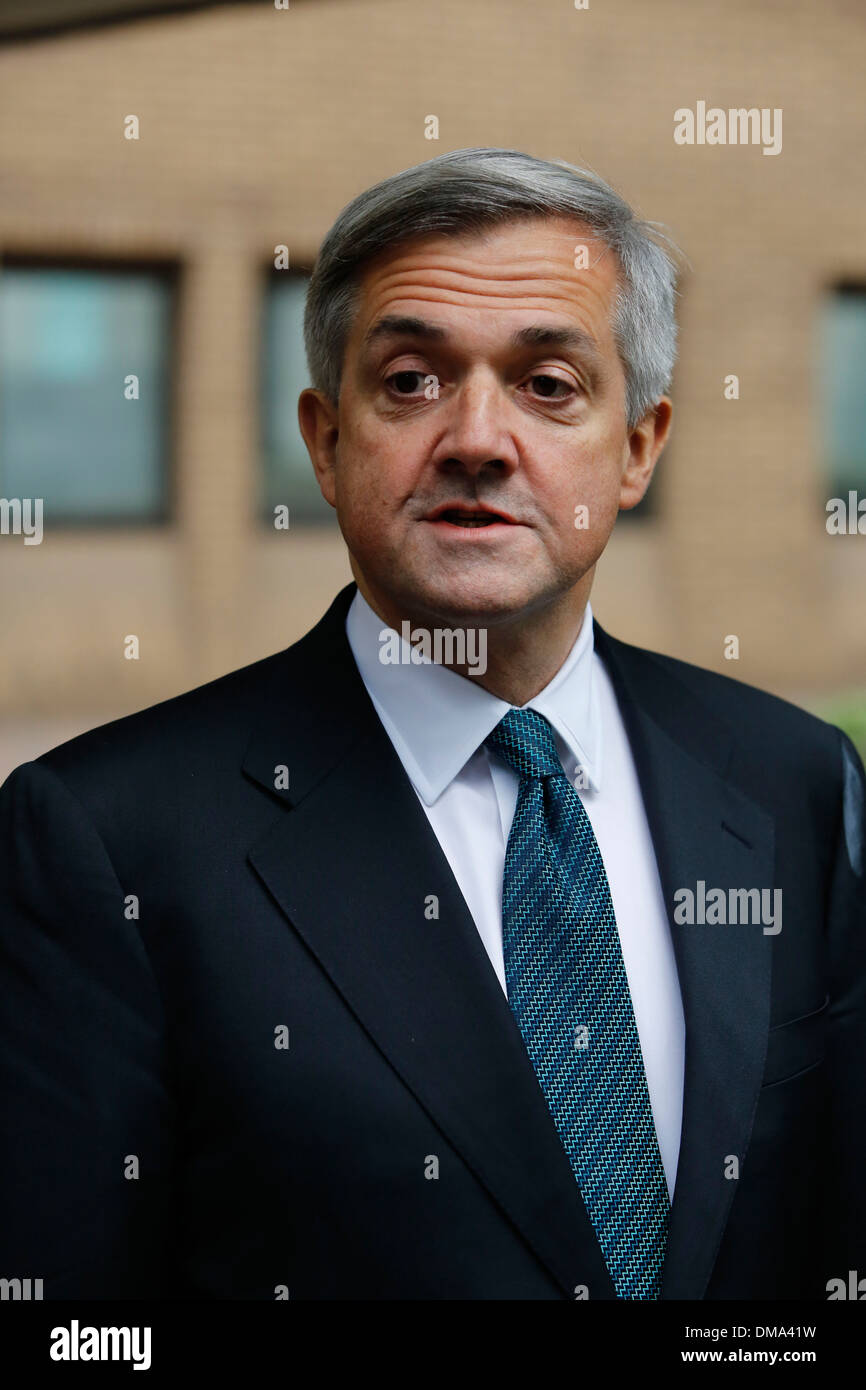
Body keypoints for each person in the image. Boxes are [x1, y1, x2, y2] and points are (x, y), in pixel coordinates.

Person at [1, 148, 863, 1301]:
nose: (474, 438)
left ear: (638, 449)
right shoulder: (101, 839)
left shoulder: (791, 778)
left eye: (548, 384)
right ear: (322, 439)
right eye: (409, 379)